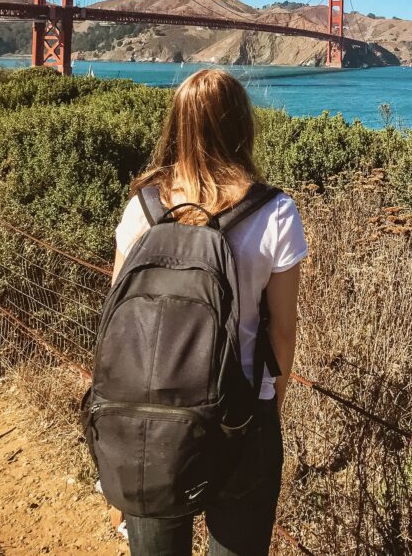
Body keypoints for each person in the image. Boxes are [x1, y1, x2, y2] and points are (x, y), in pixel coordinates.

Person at [109, 68, 307, 556]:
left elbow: (115, 319)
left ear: (175, 126)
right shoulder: (275, 212)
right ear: (243, 126)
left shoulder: (143, 206)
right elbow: (283, 332)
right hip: (241, 415)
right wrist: (271, 404)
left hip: (148, 419)